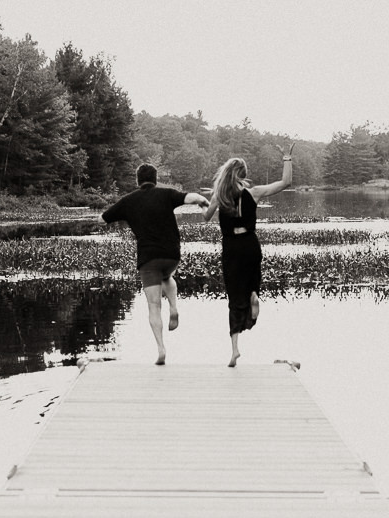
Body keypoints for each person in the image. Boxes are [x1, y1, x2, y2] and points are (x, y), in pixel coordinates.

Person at [101, 163, 209, 364]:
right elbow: (193, 198)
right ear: (156, 178)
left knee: (153, 305)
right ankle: (174, 306)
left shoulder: (128, 201)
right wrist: (204, 201)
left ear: (137, 180)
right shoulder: (167, 194)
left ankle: (160, 348)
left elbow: (104, 217)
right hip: (171, 254)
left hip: (148, 258)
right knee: (168, 276)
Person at [202, 144, 295, 367]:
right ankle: (254, 297)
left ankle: (234, 350)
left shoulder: (219, 196)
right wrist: (286, 158)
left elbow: (206, 217)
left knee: (234, 297)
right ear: (244, 175)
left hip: (232, 248)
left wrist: (201, 202)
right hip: (250, 246)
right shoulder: (254, 193)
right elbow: (285, 183)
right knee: (252, 284)